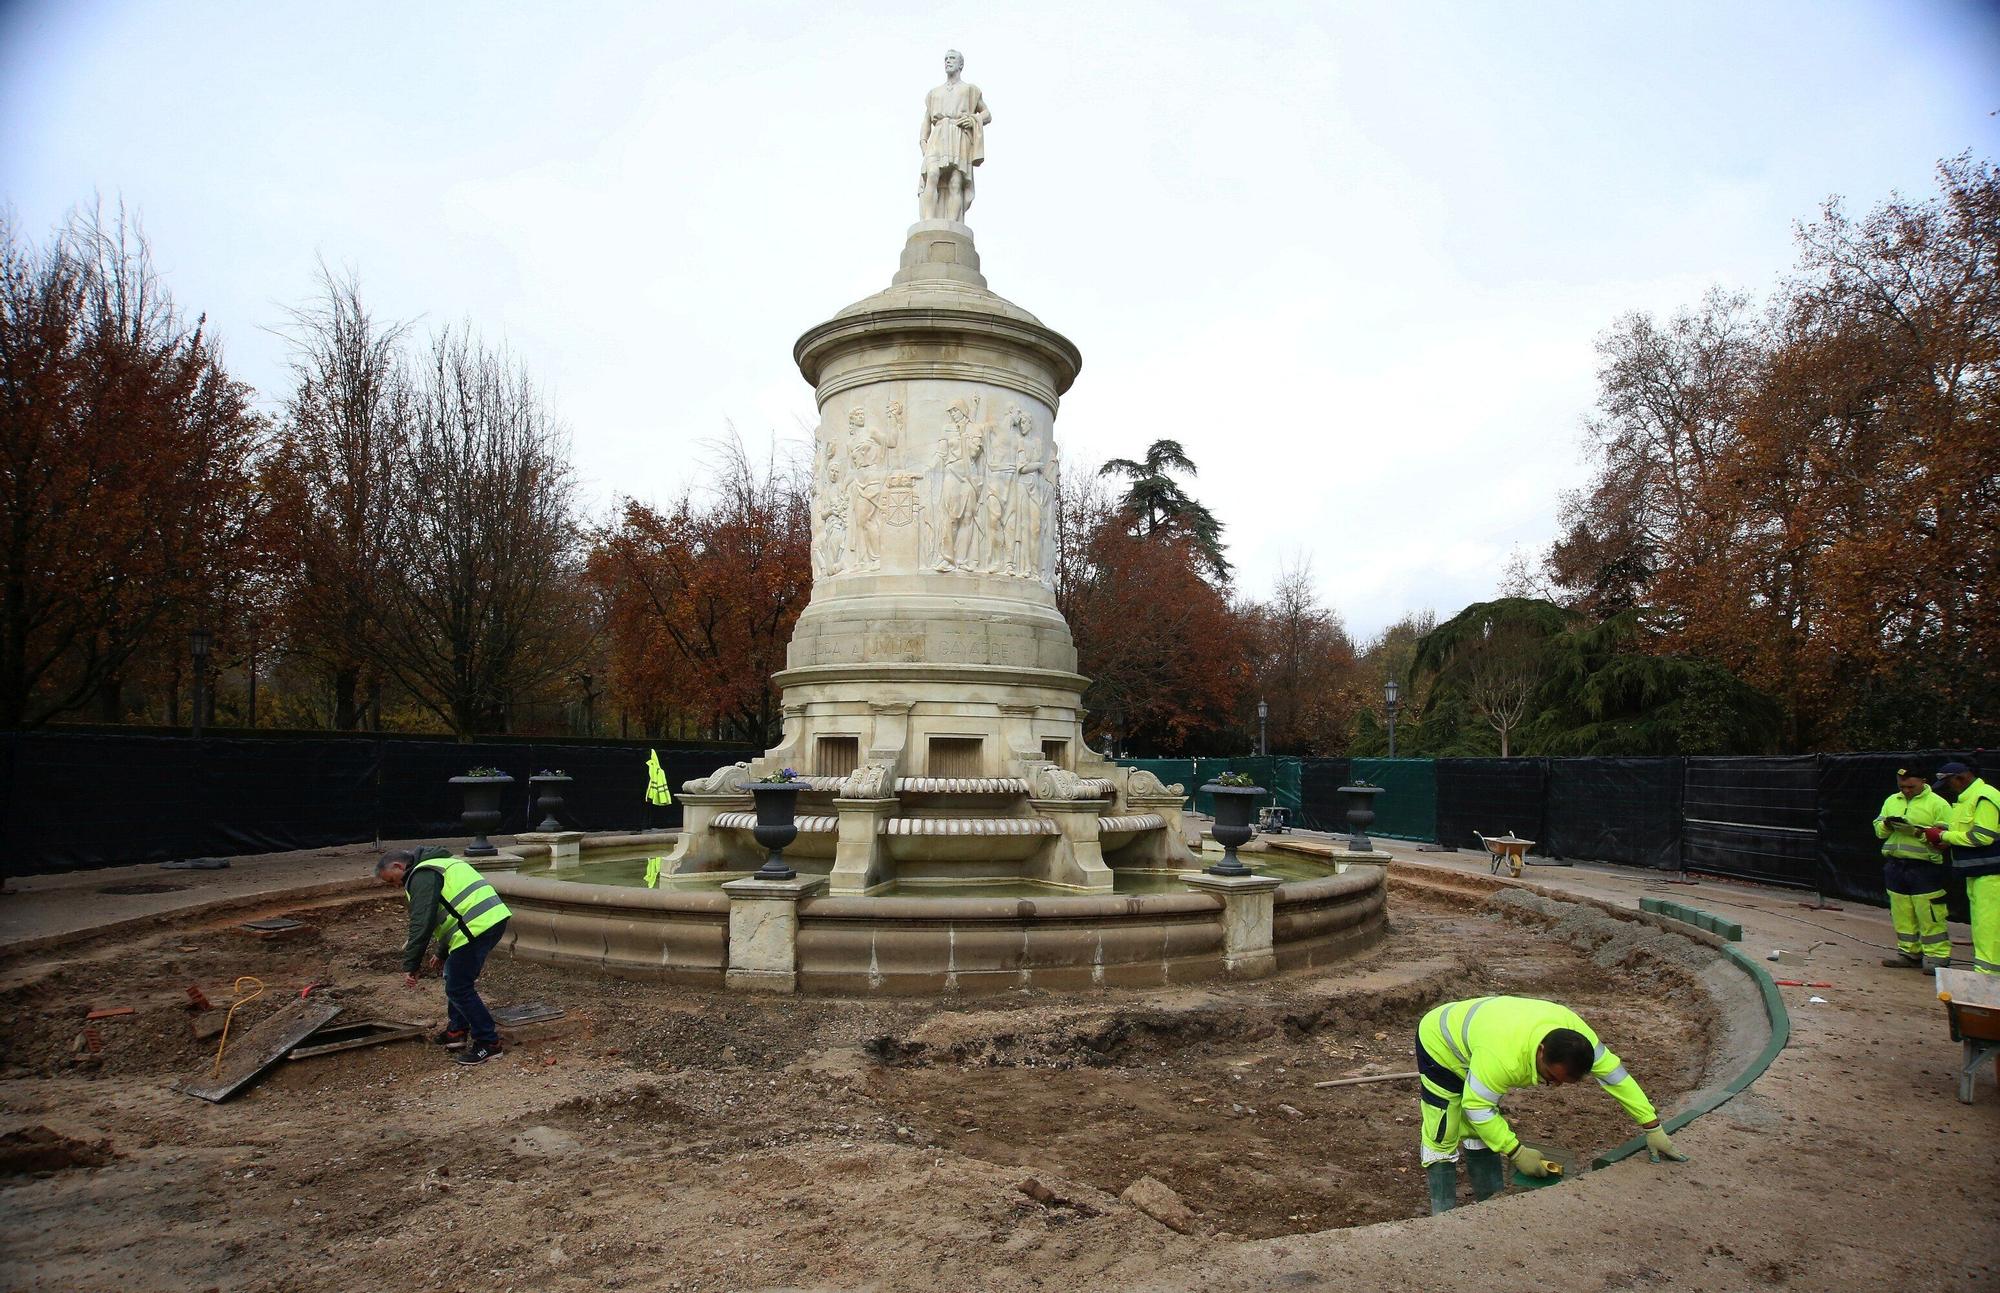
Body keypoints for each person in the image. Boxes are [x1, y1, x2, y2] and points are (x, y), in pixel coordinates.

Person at [1415, 995, 1685, 1214]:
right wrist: (1516, 1152)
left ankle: (1489, 1206)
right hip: (1442, 1042)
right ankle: (1443, 1218)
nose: (1554, 1085)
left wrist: (1652, 1125)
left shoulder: (1580, 1041)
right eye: (1552, 1077)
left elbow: (1617, 1078)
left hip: (1486, 1034)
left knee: (1480, 1129)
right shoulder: (1503, 1059)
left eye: (1563, 1082)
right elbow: (1477, 1107)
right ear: (1541, 1051)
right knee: (1444, 1127)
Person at [375, 847, 512, 1064]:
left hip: (476, 927)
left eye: (392, 880)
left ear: (398, 866)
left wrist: (411, 965)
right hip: (488, 920)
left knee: (458, 986)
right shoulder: (440, 864)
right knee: (455, 978)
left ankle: (489, 1043)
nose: (396, 885)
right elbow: (452, 909)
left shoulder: (422, 875)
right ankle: (456, 1032)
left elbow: (422, 922)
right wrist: (442, 952)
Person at [1875, 766, 1955, 970]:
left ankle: (1937, 957)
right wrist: (1887, 825)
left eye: (1911, 786)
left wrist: (1920, 832)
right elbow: (1879, 831)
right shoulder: (1892, 800)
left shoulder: (1938, 804)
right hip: (1896, 865)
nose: (1906, 790)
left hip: (1925, 867)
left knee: (1929, 913)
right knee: (1902, 912)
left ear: (1923, 782)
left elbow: (1947, 837)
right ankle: (1909, 953)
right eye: (1902, 786)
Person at [1926, 762, 1999, 975]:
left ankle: (1988, 977)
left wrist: (1944, 835)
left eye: (1949, 783)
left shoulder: (1984, 797)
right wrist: (1945, 835)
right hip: (1978, 873)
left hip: (1991, 874)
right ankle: (1986, 973)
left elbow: (1982, 837)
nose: (1949, 788)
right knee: (1983, 926)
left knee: (1989, 927)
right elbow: (1965, 831)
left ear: (1962, 777)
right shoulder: (1968, 799)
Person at [918, 49, 990, 223]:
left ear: (961, 64)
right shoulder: (934, 93)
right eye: (946, 59)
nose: (948, 61)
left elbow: (987, 114)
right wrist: (923, 142)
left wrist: (973, 119)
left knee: (955, 182)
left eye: (952, 58)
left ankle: (952, 223)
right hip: (938, 135)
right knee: (932, 174)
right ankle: (928, 220)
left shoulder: (970, 89)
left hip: (958, 136)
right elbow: (926, 121)